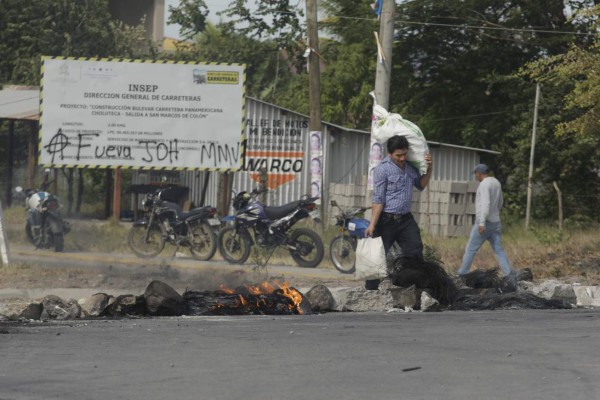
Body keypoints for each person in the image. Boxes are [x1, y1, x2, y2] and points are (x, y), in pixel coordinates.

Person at [364, 135, 433, 290]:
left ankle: (413, 288)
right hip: (386, 221)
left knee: (415, 252)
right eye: (398, 155)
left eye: (404, 154)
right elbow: (378, 199)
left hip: (406, 220)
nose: (402, 158)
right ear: (390, 154)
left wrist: (429, 168)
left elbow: (421, 185)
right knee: (377, 256)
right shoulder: (382, 170)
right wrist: (372, 224)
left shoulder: (410, 167)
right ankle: (370, 291)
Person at [457, 164, 513, 280]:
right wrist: (495, 213)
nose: (475, 176)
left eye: (476, 173)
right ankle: (508, 274)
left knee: (471, 249)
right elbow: (501, 201)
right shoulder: (496, 182)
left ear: (479, 173)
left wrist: (482, 223)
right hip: (496, 222)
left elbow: (485, 204)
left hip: (484, 222)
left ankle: (463, 273)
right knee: (498, 250)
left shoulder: (483, 185)